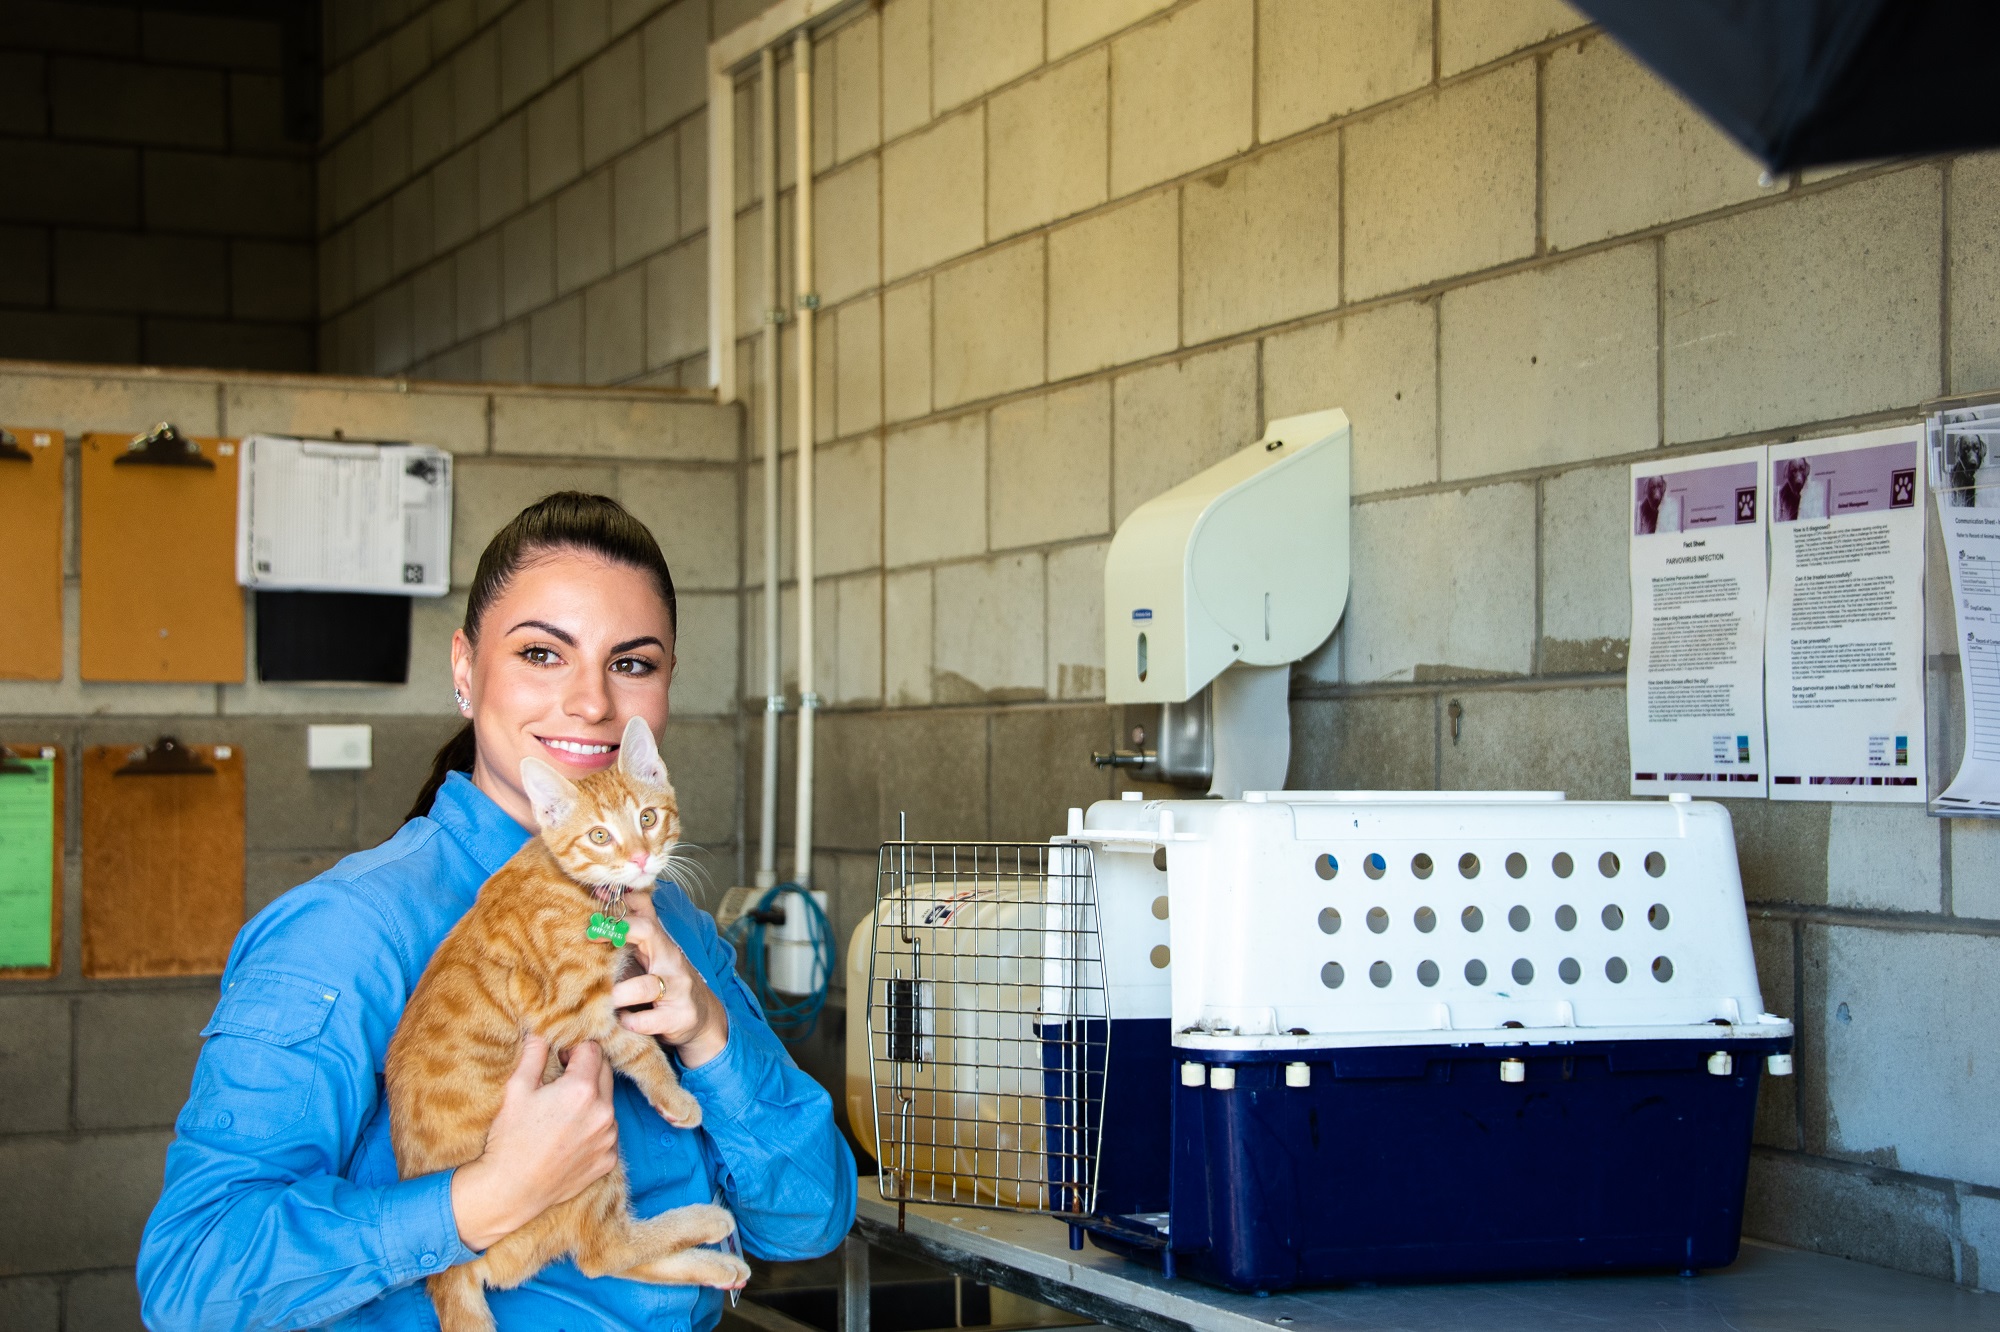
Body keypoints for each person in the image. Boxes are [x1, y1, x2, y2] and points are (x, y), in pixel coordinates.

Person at [138, 493, 855, 1331]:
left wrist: (707, 1036)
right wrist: (478, 1201)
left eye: (632, 663)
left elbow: (808, 1220)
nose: (591, 702)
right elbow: (191, 1281)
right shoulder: (349, 930)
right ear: (465, 670)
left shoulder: (681, 935)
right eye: (543, 653)